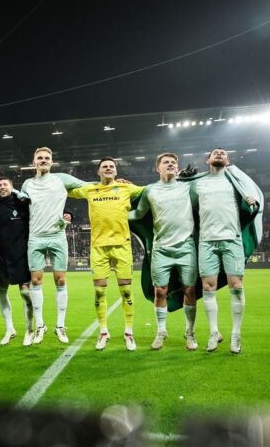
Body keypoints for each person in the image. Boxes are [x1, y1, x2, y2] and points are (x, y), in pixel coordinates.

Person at [68, 157, 144, 351]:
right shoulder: (90, 189)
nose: (108, 168)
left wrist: (132, 184)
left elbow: (150, 191)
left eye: (111, 166)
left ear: (116, 171)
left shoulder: (127, 188)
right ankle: (103, 332)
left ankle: (128, 332)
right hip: (98, 247)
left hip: (122, 245)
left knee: (126, 291)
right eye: (105, 167)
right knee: (100, 291)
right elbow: (66, 189)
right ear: (99, 172)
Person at [191, 148, 262, 354]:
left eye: (223, 153)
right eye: (215, 153)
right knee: (208, 288)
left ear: (228, 160)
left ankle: (236, 335)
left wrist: (252, 204)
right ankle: (214, 333)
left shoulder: (235, 181)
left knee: (237, 286)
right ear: (208, 160)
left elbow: (251, 203)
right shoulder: (198, 183)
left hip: (232, 239)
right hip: (207, 241)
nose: (220, 154)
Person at [128, 153, 199, 350]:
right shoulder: (150, 190)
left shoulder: (187, 187)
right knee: (160, 291)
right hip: (161, 249)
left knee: (190, 290)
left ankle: (190, 333)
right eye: (166, 162)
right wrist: (115, 213)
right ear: (157, 168)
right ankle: (161, 332)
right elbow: (139, 214)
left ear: (177, 168)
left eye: (173, 163)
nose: (170, 164)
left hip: (186, 247)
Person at [20, 147, 86, 345]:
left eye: (47, 158)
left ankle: (60, 326)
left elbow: (88, 186)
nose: (43, 160)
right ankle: (40, 326)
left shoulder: (62, 179)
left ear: (51, 162)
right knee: (36, 281)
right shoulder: (27, 184)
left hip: (57, 236)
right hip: (35, 237)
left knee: (61, 280)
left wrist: (112, 184)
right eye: (39, 158)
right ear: (34, 162)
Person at [0, 177, 32, 346]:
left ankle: (30, 329)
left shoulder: (21, 203)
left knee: (26, 292)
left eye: (5, 184)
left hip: (20, 254)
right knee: (0, 292)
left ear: (12, 187)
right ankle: (9, 329)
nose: (2, 187)